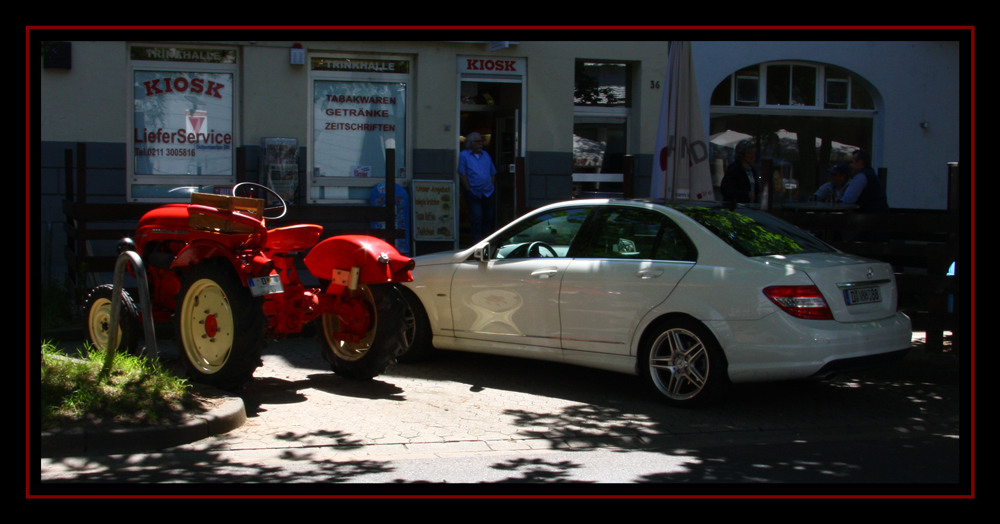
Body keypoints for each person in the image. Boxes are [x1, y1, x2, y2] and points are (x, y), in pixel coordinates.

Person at [458, 132, 498, 243]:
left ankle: (487, 242)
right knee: (477, 218)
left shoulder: (486, 155)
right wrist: (468, 189)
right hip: (474, 193)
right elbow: (462, 173)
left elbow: (492, 172)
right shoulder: (464, 155)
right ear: (470, 143)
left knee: (488, 218)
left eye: (481, 141)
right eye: (478, 141)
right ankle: (476, 243)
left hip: (488, 192)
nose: (481, 143)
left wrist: (492, 186)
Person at [720, 140, 759, 204]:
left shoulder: (752, 171)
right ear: (741, 155)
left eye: (753, 152)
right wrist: (744, 195)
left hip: (751, 209)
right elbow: (726, 190)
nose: (752, 155)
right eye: (749, 153)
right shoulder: (734, 169)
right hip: (738, 209)